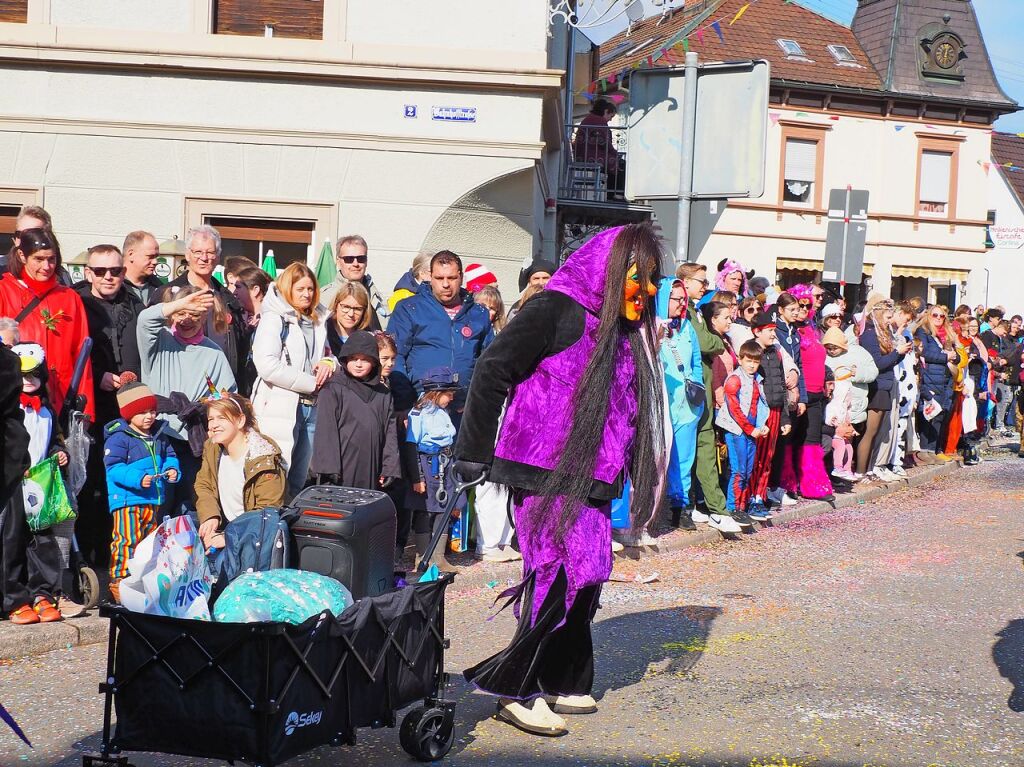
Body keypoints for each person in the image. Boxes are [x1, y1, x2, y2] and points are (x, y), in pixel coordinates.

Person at [454, 223, 665, 735]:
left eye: (654, 279)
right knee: (555, 575)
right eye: (642, 277)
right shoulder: (556, 308)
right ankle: (515, 687)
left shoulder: (620, 328)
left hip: (592, 477)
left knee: (589, 572)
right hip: (542, 468)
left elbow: (625, 408)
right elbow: (493, 368)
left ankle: (565, 676)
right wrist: (474, 452)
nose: (651, 291)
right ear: (612, 272)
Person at [74, 243, 144, 567]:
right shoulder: (78, 302)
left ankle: (114, 554)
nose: (108, 277)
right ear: (88, 272)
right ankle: (88, 557)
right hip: (91, 406)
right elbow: (71, 351)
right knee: (89, 483)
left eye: (115, 270)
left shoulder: (135, 303)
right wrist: (97, 374)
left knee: (121, 478)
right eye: (100, 271)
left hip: (127, 409)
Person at [136, 285, 237, 513]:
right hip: (159, 436)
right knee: (158, 504)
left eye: (194, 314)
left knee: (189, 506)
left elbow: (225, 395)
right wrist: (180, 303)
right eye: (181, 313)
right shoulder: (158, 342)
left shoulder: (214, 353)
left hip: (194, 441)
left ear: (204, 318)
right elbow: (145, 320)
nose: (187, 319)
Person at [250, 263, 335, 499]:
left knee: (299, 476)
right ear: (288, 288)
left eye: (310, 288)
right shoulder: (275, 319)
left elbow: (329, 354)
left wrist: (330, 364)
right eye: (300, 289)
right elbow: (267, 365)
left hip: (312, 407)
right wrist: (310, 383)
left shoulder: (319, 319)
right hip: (281, 405)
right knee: (275, 475)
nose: (307, 294)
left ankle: (290, 529)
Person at [2, 343, 67, 624]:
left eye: (34, 376)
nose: (28, 381)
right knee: (12, 538)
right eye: (23, 376)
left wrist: (58, 453)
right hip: (15, 479)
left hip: (41, 482)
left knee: (42, 539)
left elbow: (51, 439)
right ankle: (15, 598)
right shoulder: (14, 406)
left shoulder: (47, 411)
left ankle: (42, 592)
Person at [0, 228, 94, 420]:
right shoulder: (4, 291)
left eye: (52, 259)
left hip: (60, 399)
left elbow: (82, 355)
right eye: (39, 259)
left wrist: (86, 412)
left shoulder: (69, 298)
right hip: (14, 399)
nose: (47, 266)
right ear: (22, 255)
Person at [103, 382, 179, 603]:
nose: (149, 416)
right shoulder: (119, 437)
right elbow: (113, 467)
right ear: (128, 414)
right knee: (126, 540)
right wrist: (137, 479)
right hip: (128, 500)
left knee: (149, 543)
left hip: (152, 500)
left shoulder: (158, 436)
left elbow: (170, 456)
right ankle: (119, 580)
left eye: (152, 411)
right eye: (142, 412)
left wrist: (172, 469)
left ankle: (144, 580)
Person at [677, 262, 738, 533]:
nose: (705, 285)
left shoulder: (695, 311)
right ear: (685, 282)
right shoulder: (686, 311)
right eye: (700, 281)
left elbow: (712, 342)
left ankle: (713, 507)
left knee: (704, 447)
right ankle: (691, 505)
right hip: (689, 391)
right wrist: (714, 342)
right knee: (688, 451)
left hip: (701, 389)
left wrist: (713, 341)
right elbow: (708, 343)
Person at [151, 225, 249, 392]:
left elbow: (238, 351)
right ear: (187, 255)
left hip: (220, 390)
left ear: (218, 257)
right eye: (198, 252)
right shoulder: (167, 295)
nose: (204, 258)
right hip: (180, 390)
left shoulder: (228, 299)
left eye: (210, 253)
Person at [389, 250, 493, 397]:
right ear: (430, 277)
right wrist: (403, 401)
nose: (445, 284)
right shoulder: (408, 308)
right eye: (439, 278)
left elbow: (490, 361)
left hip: (465, 406)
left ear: (461, 277)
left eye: (451, 278)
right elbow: (395, 355)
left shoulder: (478, 313)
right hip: (420, 402)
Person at [309, 330, 399, 494]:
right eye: (353, 358)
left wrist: (390, 467)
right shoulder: (333, 388)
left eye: (365, 360)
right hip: (341, 467)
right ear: (345, 359)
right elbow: (325, 432)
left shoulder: (383, 393)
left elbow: (390, 432)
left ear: (373, 362)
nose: (358, 364)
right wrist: (328, 469)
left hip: (371, 465)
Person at [195, 394, 286, 551]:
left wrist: (228, 537)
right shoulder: (213, 448)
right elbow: (204, 484)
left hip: (254, 536)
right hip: (225, 524)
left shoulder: (263, 459)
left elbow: (267, 512)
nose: (213, 425)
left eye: (221, 418)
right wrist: (210, 515)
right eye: (211, 419)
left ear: (240, 421)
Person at [655, 278, 703, 531]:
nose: (682, 303)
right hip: (660, 405)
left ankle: (680, 507)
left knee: (684, 460)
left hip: (686, 407)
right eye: (676, 299)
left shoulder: (687, 328)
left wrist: (696, 385)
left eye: (683, 299)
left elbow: (695, 361)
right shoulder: (650, 326)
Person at [406, 367, 463, 569]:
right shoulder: (418, 412)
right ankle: (423, 557)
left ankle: (438, 558)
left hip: (445, 462)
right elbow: (411, 445)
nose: (451, 398)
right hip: (427, 465)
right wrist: (417, 477)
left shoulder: (441, 411)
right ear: (437, 392)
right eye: (449, 394)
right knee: (425, 511)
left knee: (444, 508)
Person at [374, 331, 419, 571]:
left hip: (399, 449)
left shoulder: (398, 381)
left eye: (392, 358)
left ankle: (397, 552)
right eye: (384, 358)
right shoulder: (368, 384)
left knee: (400, 502)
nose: (389, 364)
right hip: (377, 449)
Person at [857, 296, 910, 480]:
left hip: (885, 385)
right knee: (870, 431)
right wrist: (897, 353)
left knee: (878, 431)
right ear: (878, 314)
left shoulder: (882, 332)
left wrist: (901, 354)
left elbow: (890, 360)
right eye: (887, 317)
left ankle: (870, 469)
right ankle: (861, 472)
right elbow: (877, 363)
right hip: (877, 385)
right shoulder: (870, 334)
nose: (889, 321)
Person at [716, 340, 769, 517]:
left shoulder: (755, 381)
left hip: (751, 430)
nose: (752, 365)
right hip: (737, 431)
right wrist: (750, 428)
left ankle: (742, 505)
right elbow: (734, 410)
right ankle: (733, 507)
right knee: (738, 470)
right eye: (749, 361)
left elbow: (759, 406)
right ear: (740, 359)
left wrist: (762, 426)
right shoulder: (734, 380)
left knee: (748, 470)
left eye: (756, 362)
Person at [748, 312, 793, 515]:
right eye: (770, 331)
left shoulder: (775, 352)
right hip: (759, 413)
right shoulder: (751, 352)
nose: (774, 335)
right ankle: (749, 497)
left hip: (776, 410)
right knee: (755, 457)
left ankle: (761, 494)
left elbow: (782, 385)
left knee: (768, 457)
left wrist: (785, 416)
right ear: (757, 332)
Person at [822, 327, 877, 481]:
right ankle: (834, 472)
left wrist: (857, 374)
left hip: (853, 406)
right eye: (829, 348)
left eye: (835, 348)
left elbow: (873, 371)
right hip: (833, 408)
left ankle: (845, 470)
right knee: (836, 441)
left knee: (847, 441)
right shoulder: (824, 358)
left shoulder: (858, 353)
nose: (832, 351)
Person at [320, 235, 389, 330]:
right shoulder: (325, 297)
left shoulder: (376, 295)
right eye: (349, 259)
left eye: (361, 259)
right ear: (338, 261)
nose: (355, 264)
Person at [915, 304, 956, 462]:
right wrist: (945, 356)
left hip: (946, 378)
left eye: (942, 316)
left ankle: (934, 448)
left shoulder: (947, 334)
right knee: (929, 413)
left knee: (941, 414)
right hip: (931, 376)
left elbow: (956, 353)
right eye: (935, 315)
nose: (939, 318)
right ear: (929, 316)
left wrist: (955, 357)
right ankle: (925, 449)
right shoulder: (923, 331)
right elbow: (925, 352)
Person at [572, 98, 621, 192]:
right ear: (606, 111)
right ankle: (615, 193)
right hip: (589, 156)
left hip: (583, 154)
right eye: (611, 116)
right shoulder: (599, 122)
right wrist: (615, 153)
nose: (610, 120)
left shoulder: (590, 119)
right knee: (620, 164)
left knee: (615, 162)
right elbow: (604, 142)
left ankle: (613, 193)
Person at [326, 280, 373, 355]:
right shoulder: (323, 332)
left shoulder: (369, 338)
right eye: (346, 307)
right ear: (336, 305)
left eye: (357, 309)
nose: (351, 314)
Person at [121, 231, 163, 304]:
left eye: (156, 257)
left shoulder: (160, 287)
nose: (155, 262)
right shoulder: (112, 286)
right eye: (150, 256)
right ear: (131, 254)